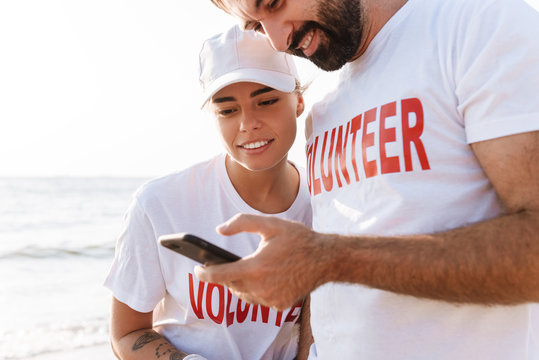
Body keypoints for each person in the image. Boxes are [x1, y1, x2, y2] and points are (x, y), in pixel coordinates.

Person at [195, 0, 539, 358]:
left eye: (274, 4)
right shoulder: (324, 107)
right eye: (255, 26)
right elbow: (330, 282)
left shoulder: (478, 25)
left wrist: (328, 259)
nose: (278, 42)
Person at [104, 25, 313, 360]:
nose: (248, 123)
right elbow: (127, 332)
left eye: (267, 101)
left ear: (299, 102)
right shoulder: (159, 204)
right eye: (228, 110)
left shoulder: (329, 207)